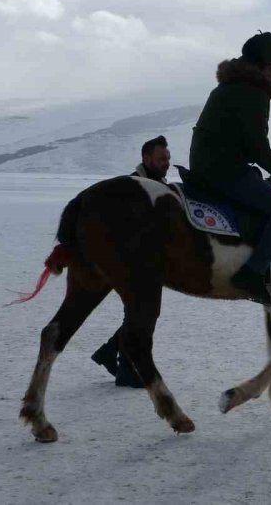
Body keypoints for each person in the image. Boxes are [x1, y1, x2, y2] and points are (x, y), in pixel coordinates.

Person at [188, 31, 271, 305]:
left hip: (205, 164)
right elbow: (257, 145)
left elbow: (242, 139)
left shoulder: (230, 86)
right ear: (270, 65)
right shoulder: (254, 92)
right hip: (224, 171)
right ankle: (251, 273)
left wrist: (263, 154)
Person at [90, 135, 172, 388]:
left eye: (168, 158)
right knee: (141, 313)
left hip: (150, 261)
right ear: (146, 159)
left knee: (144, 312)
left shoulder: (158, 183)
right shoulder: (132, 186)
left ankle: (108, 352)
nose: (166, 163)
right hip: (130, 262)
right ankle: (126, 370)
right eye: (161, 159)